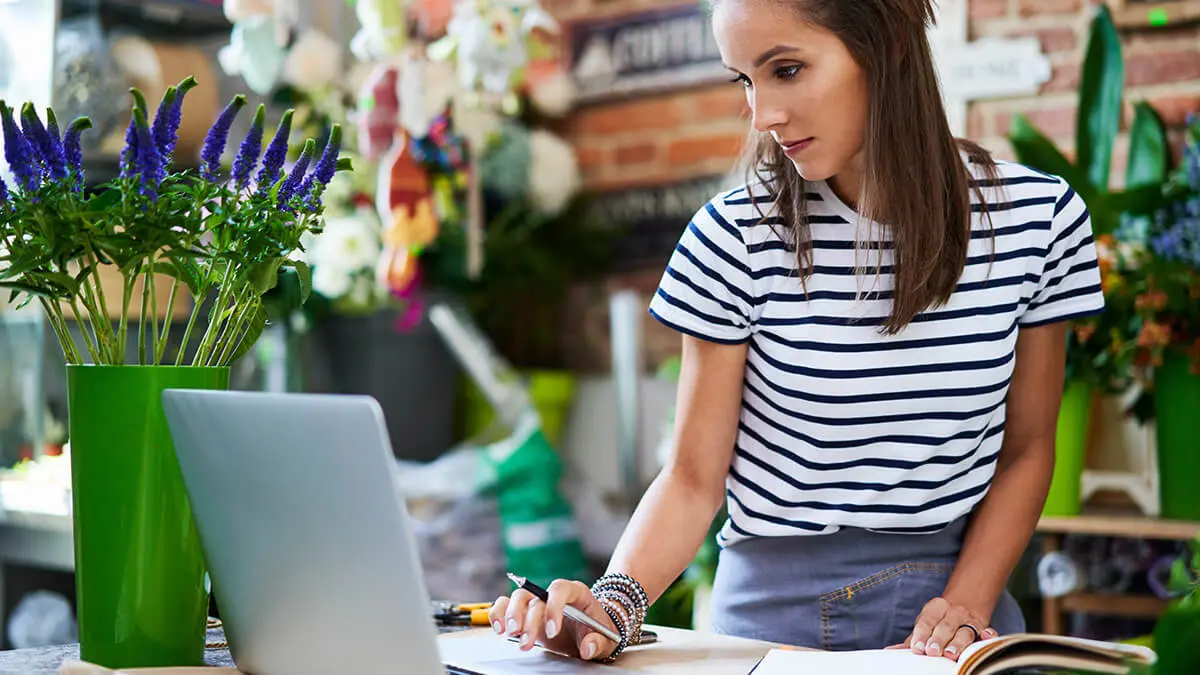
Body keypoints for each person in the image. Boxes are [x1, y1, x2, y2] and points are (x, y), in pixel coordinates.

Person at [489, 0, 1104, 663]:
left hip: (961, 619)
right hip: (768, 623)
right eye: (744, 80)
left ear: (885, 47)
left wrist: (967, 601)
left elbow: (1028, 448)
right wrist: (613, 604)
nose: (762, 114)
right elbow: (694, 478)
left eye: (785, 69)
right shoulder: (733, 236)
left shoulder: (1039, 222)